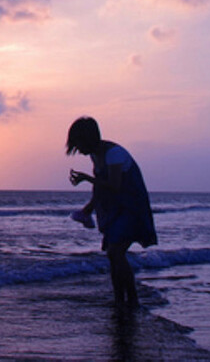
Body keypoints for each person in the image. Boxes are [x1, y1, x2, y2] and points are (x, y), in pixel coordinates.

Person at [66, 116, 157, 307]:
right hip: (115, 207)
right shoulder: (96, 155)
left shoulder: (113, 154)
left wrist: (86, 179)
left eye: (79, 144)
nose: (79, 151)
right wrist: (89, 208)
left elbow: (114, 185)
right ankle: (120, 299)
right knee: (113, 254)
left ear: (88, 138)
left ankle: (132, 299)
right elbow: (101, 186)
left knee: (116, 252)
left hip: (131, 206)